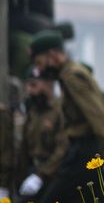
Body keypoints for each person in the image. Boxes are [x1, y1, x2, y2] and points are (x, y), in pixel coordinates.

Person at [28, 30, 104, 202]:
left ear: (52, 55)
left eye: (40, 62)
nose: (40, 68)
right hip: (82, 151)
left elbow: (98, 115)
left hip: (85, 152)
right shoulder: (68, 75)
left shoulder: (72, 76)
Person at [16, 66, 68, 200]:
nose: (29, 90)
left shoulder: (60, 111)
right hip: (32, 171)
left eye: (34, 85)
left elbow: (62, 147)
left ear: (49, 84)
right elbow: (25, 148)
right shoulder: (33, 111)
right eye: (28, 85)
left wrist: (41, 176)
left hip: (52, 175)